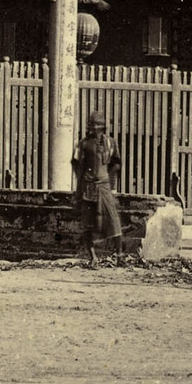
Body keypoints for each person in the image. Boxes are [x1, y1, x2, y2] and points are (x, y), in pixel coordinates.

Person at [71, 110, 122, 268]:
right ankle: (93, 256)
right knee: (88, 223)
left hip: (104, 186)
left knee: (113, 220)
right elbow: (77, 164)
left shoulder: (110, 143)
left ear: (103, 128)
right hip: (88, 187)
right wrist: (79, 189)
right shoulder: (84, 144)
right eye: (92, 126)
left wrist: (112, 182)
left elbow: (116, 163)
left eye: (97, 127)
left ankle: (119, 254)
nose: (94, 130)